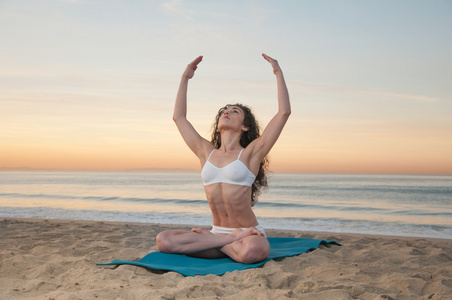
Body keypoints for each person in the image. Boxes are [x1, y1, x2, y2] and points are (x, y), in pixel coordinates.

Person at [156, 53, 291, 264]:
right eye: (223, 111)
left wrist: (278, 72)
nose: (226, 113)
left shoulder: (250, 154)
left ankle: (217, 242)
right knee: (163, 240)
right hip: (221, 233)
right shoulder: (205, 151)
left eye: (234, 111)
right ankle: (227, 240)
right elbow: (179, 118)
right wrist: (185, 78)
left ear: (244, 126)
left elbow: (284, 112)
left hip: (248, 233)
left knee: (252, 251)